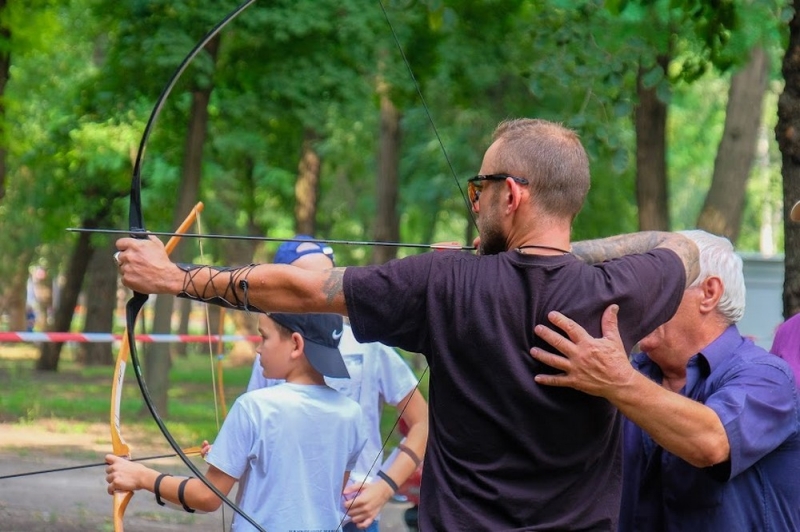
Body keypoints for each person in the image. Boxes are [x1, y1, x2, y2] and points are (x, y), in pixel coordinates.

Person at [115, 117, 700, 530]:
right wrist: (563, 256)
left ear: (513, 195)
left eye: (482, 188)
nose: (476, 202)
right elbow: (685, 246)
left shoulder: (445, 282)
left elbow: (305, 288)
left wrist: (175, 279)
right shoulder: (617, 293)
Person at [531, 229, 800, 531]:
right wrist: (522, 260)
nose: (639, 299)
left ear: (709, 293)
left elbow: (711, 442)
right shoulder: (622, 375)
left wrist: (618, 381)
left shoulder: (767, 376)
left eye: (660, 286)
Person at [105, 312, 367, 530]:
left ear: (296, 345)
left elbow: (207, 497)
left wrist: (140, 476)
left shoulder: (255, 407)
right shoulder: (352, 414)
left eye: (264, 337)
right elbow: (313, 490)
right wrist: (235, 461)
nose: (258, 347)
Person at [246, 235, 428, 532]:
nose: (322, 289)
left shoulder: (370, 344)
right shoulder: (270, 353)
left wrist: (382, 489)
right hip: (283, 511)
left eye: (330, 279)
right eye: (307, 280)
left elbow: (422, 423)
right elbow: (254, 433)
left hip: (353, 514)